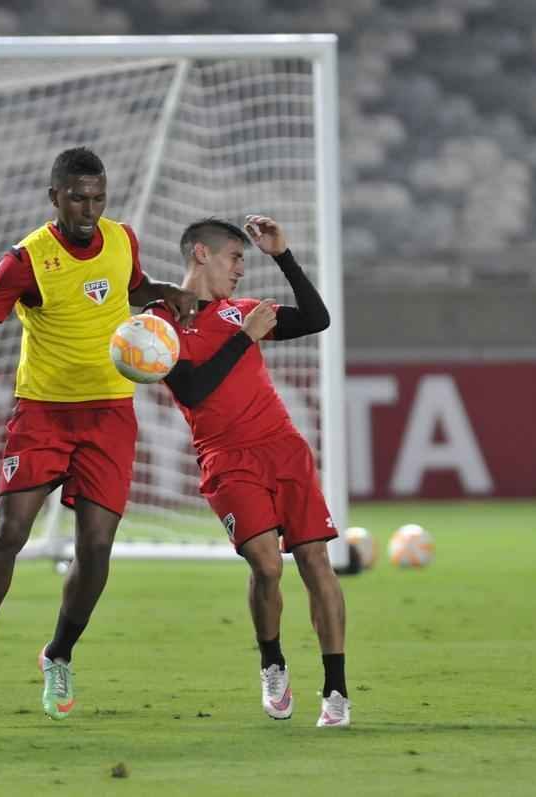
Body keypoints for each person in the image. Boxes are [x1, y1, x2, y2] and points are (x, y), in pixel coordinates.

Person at [0, 146, 196, 718]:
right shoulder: (25, 260)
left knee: (96, 547)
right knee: (8, 533)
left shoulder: (123, 239)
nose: (89, 209)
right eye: (77, 198)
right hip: (43, 414)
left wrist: (164, 292)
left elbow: (130, 286)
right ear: (54, 196)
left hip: (109, 413)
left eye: (98, 198)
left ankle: (59, 654)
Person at [147, 216, 349, 727]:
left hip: (283, 448)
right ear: (201, 253)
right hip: (225, 457)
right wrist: (244, 340)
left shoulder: (242, 310)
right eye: (235, 257)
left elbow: (317, 319)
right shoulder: (161, 321)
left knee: (315, 561)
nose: (241, 269)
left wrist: (283, 256)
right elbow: (192, 391)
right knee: (267, 566)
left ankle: (336, 689)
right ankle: (272, 660)